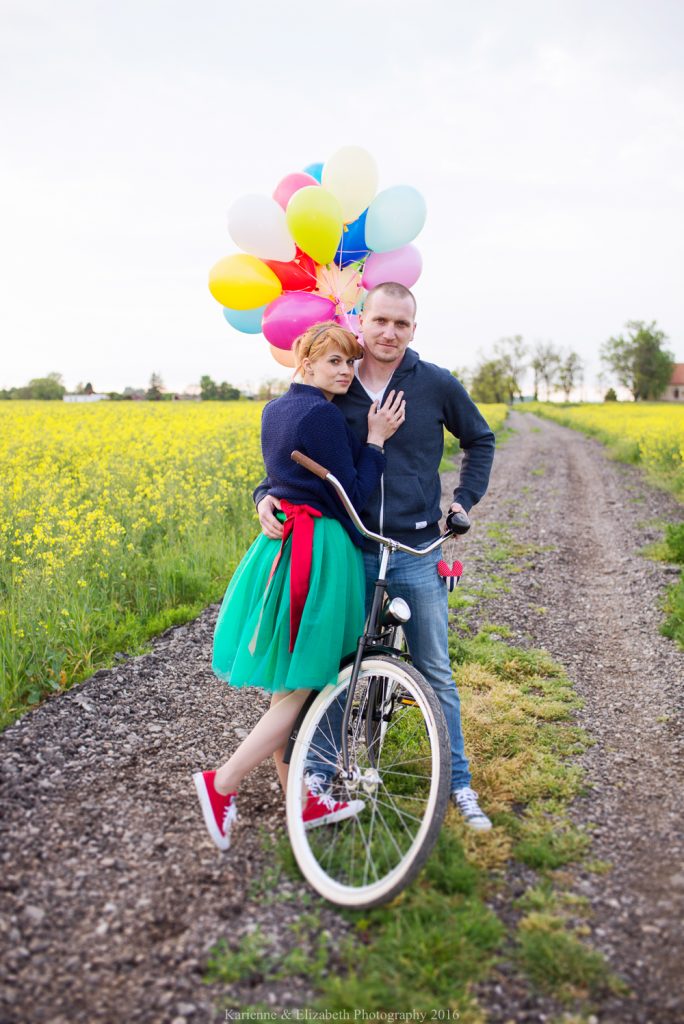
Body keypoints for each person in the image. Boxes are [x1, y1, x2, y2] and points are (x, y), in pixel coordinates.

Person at [255, 283, 496, 830]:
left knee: (435, 670)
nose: (389, 333)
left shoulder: (434, 382)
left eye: (401, 324)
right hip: (350, 547)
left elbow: (479, 439)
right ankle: (320, 777)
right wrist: (263, 494)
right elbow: (290, 452)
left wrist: (464, 500)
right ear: (361, 320)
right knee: (338, 667)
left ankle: (458, 782)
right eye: (380, 320)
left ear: (414, 329)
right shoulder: (336, 380)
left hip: (416, 548)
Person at [194, 321, 406, 851]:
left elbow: (278, 478)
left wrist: (261, 497)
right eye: (334, 361)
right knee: (311, 682)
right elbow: (352, 494)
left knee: (288, 683)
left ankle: (299, 801)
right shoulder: (322, 415)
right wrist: (375, 441)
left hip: (282, 545)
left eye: (349, 362)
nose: (346, 371)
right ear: (305, 362)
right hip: (318, 548)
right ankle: (222, 782)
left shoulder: (275, 409)